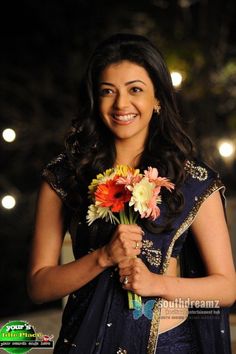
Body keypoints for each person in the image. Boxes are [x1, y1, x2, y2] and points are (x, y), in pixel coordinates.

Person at [27, 33, 236, 354]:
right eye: (108, 92)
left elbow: (227, 288)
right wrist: (103, 257)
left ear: (158, 100)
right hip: (88, 342)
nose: (121, 104)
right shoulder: (66, 174)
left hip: (171, 345)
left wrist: (158, 284)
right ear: (95, 101)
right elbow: (39, 286)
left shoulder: (189, 177)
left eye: (135, 89)